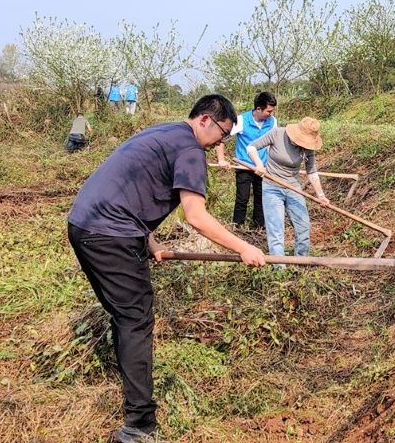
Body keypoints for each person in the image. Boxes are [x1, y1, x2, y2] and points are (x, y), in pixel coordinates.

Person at [67, 94, 266, 443]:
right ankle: (139, 426)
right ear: (205, 119)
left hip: (84, 223)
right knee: (135, 320)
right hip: (110, 234)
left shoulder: (165, 133)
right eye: (222, 132)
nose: (222, 142)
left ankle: (132, 395)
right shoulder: (190, 149)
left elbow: (135, 185)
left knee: (124, 316)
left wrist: (148, 240)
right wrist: (245, 246)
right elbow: (197, 216)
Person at [247, 117, 329, 260]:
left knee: (303, 227)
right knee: (276, 231)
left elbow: (312, 172)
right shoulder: (277, 133)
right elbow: (251, 147)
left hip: (293, 188)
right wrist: (259, 164)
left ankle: (300, 263)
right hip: (272, 187)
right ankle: (280, 270)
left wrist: (321, 195)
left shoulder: (308, 147)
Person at [216, 91, 278, 230]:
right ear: (258, 109)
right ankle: (237, 227)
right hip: (244, 166)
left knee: (261, 198)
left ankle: (258, 227)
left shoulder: (272, 122)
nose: (271, 114)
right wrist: (221, 159)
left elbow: (272, 144)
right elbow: (221, 139)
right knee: (242, 198)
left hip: (262, 167)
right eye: (268, 111)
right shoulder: (241, 120)